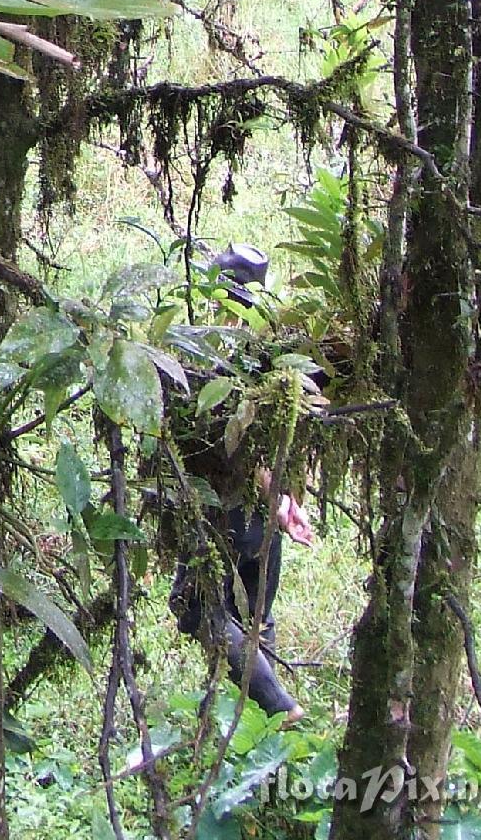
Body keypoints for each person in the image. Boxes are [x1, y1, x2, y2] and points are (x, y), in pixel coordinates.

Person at [170, 244, 314, 721]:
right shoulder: (275, 359)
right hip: (265, 520)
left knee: (196, 609)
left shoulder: (207, 357)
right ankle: (267, 736)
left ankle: (278, 708)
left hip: (226, 514)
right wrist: (287, 501)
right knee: (254, 620)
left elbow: (233, 446)